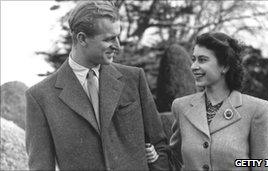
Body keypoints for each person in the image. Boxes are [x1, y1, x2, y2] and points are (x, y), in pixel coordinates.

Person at [25, 1, 169, 170]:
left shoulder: (134, 78)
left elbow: (160, 146)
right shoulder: (40, 96)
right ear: (82, 38)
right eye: (109, 39)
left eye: (117, 37)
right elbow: (40, 167)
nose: (118, 46)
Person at [169, 32, 268, 170]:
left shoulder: (258, 110)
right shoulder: (181, 107)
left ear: (225, 66)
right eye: (193, 59)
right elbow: (174, 157)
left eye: (202, 60)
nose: (193, 66)